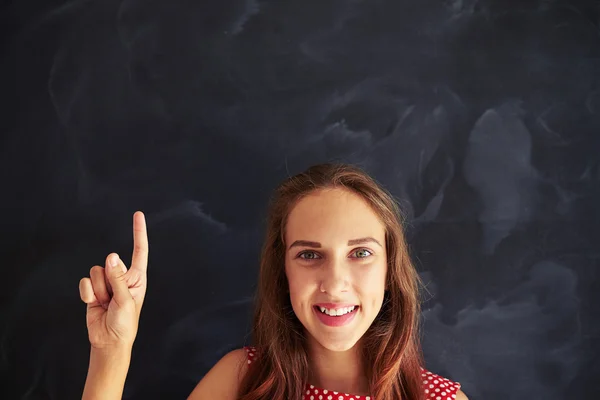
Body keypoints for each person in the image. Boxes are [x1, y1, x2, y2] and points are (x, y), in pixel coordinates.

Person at [79, 163, 468, 400]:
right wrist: (111, 351)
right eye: (309, 255)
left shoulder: (439, 399)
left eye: (361, 253)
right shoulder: (240, 380)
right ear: (283, 273)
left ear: (389, 272)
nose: (335, 283)